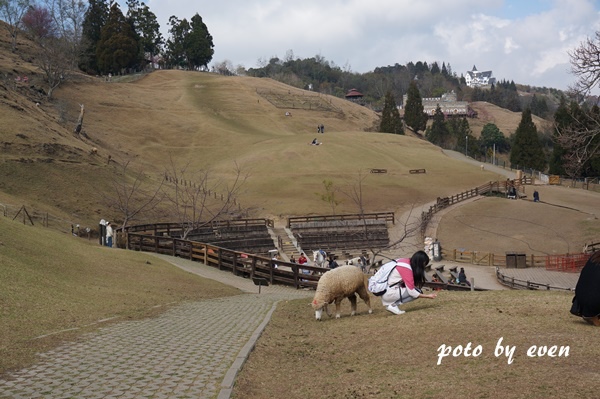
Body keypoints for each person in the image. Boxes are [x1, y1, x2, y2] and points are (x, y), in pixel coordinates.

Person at [381, 250, 437, 315]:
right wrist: (428, 296)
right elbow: (412, 292)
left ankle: (392, 305)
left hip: (386, 290)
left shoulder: (405, 262)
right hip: (390, 293)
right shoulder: (407, 269)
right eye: (424, 264)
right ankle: (393, 305)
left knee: (416, 291)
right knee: (417, 292)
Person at [571, 251, 600, 326]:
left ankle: (591, 314)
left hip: (580, 301)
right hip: (594, 301)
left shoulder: (595, 256)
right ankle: (594, 315)